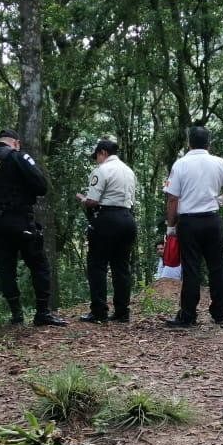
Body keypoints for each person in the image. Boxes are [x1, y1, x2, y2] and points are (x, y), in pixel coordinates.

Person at [0, 128, 67, 326]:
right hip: (20, 220)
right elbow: (41, 185)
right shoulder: (17, 156)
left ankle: (16, 315)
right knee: (39, 264)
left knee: (6, 268)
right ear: (15, 142)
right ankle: (42, 313)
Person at [164, 125, 223, 328]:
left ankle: (188, 315)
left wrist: (171, 225)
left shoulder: (180, 165)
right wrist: (222, 199)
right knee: (217, 267)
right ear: (209, 143)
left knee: (191, 269)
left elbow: (173, 198)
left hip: (189, 222)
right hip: (212, 220)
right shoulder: (218, 163)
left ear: (189, 142)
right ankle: (220, 313)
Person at [75, 138, 137, 323]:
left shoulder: (101, 170)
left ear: (103, 152)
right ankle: (122, 311)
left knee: (97, 265)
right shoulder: (128, 170)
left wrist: (82, 199)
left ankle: (99, 311)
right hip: (127, 219)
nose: (96, 160)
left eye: (97, 156)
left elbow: (93, 200)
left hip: (106, 219)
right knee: (121, 267)